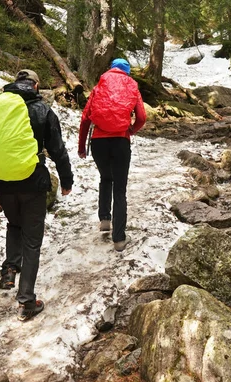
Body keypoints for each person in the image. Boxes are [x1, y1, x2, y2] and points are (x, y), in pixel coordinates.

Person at [0, 69, 73, 321]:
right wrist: (66, 179)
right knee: (32, 241)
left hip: (3, 182)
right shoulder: (42, 111)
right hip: (32, 181)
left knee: (14, 224)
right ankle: (26, 301)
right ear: (36, 85)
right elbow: (57, 149)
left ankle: (9, 270)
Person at [78, 58, 146, 252]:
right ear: (127, 72)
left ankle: (105, 220)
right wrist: (131, 130)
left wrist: (82, 147)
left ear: (111, 69)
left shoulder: (99, 86)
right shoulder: (132, 85)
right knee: (120, 189)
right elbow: (141, 117)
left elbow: (85, 119)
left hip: (98, 141)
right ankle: (119, 239)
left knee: (105, 178)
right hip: (120, 141)